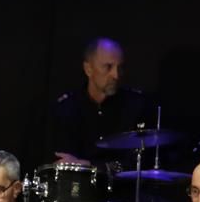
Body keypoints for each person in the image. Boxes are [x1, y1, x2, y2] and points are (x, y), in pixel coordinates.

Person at [36, 37, 150, 169]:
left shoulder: (136, 106)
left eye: (120, 67)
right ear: (88, 69)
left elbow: (137, 164)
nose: (116, 75)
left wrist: (90, 165)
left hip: (122, 187)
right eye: (108, 67)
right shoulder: (67, 108)